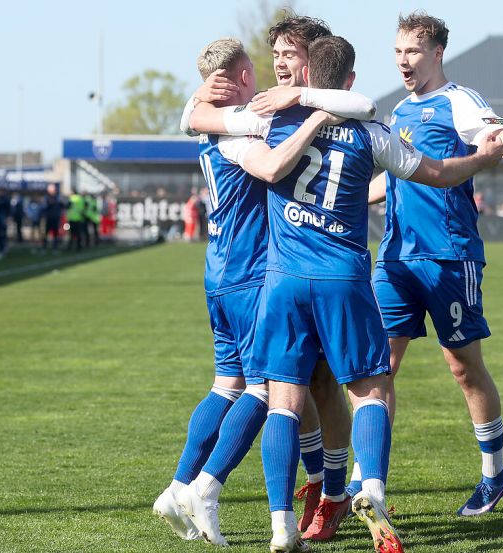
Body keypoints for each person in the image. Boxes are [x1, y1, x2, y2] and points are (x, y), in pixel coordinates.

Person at [195, 34, 503, 552]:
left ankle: (281, 526)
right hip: (344, 277)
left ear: (306, 76)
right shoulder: (371, 132)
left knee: (283, 405)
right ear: (350, 80)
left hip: (283, 281)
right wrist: (481, 158)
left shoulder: (272, 122)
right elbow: (437, 174)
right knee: (373, 390)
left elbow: (200, 118)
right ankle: (372, 490)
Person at [157, 35, 376, 549]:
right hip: (256, 274)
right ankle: (207, 486)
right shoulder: (249, 125)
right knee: (269, 390)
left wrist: (198, 98)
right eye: (263, 63)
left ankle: (179, 486)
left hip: (223, 271)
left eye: (285, 58)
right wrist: (315, 114)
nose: (272, 70)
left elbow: (191, 115)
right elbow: (274, 165)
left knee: (229, 384)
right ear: (240, 78)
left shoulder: (214, 118)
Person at [364, 11, 503, 516]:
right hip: (395, 259)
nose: (403, 61)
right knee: (377, 368)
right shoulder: (399, 111)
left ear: (436, 53)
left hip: (450, 256)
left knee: (464, 368)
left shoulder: (459, 101)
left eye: (411, 52)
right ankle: (372, 488)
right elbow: (400, 175)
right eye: (397, 52)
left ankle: (495, 474)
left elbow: (496, 141)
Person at [41, 183, 63, 252]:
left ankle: (55, 248)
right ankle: (44, 247)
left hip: (55, 217)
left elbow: (62, 205)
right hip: (49, 217)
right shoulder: (46, 197)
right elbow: (44, 207)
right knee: (46, 233)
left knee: (55, 233)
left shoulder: (58, 197)